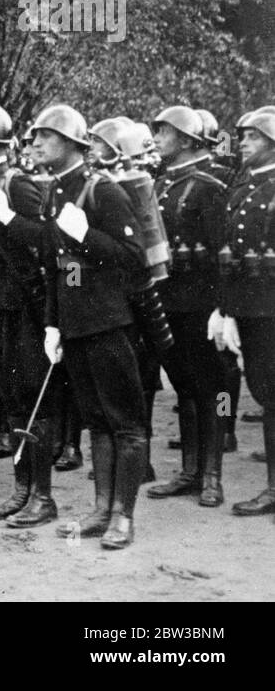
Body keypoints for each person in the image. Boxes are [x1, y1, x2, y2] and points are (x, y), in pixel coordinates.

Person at [27, 105, 148, 550]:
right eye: (35, 136)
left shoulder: (103, 192)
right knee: (96, 420)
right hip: (76, 326)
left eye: (46, 136)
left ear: (74, 145)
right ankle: (101, 509)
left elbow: (133, 261)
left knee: (126, 422)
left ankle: (123, 516)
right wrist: (53, 323)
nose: (36, 143)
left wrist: (86, 237)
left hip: (109, 323)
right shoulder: (52, 193)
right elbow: (61, 269)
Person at [0, 103, 59, 524]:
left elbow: (46, 240)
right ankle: (21, 490)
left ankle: (42, 496)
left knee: (33, 399)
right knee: (11, 398)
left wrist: (7, 218)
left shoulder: (16, 183)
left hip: (21, 305)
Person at [148, 106, 228, 508]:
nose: (157, 137)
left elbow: (221, 254)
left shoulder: (209, 186)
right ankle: (189, 471)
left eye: (164, 131)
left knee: (211, 388)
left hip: (200, 305)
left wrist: (222, 308)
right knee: (185, 386)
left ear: (185, 139)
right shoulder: (163, 183)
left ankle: (212, 475)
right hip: (169, 302)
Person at [212, 109, 275, 518]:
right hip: (250, 310)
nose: (244, 142)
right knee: (265, 394)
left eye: (254, 136)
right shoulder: (242, 186)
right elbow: (229, 257)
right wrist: (226, 310)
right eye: (243, 135)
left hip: (270, 311)